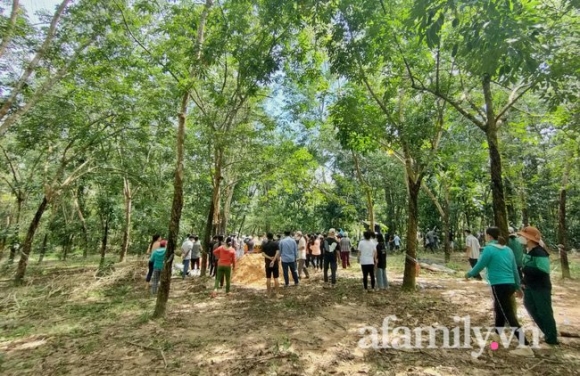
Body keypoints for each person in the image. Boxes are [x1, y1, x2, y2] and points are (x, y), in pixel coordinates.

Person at [465, 227, 527, 345]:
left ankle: (524, 345)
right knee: (499, 309)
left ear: (489, 236)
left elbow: (480, 265)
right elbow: (515, 269)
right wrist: (518, 286)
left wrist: (469, 274)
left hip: (499, 285)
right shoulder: (508, 250)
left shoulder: (489, 249)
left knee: (508, 314)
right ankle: (496, 337)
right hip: (510, 285)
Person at [518, 226, 559, 345]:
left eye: (523, 236)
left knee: (544, 311)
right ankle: (546, 332)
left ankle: (552, 338)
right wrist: (524, 281)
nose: (521, 238)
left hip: (540, 288)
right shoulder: (528, 251)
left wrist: (526, 269)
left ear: (529, 239)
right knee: (529, 306)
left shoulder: (540, 252)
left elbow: (543, 270)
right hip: (530, 286)